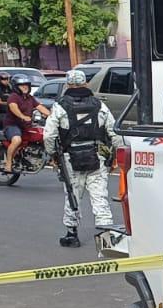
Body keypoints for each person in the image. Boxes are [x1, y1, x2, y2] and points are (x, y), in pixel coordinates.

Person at [44, 68, 123, 249]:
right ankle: (106, 239)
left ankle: (72, 235)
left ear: (68, 85)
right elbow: (114, 132)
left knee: (72, 196)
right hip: (97, 157)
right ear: (86, 84)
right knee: (100, 197)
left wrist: (52, 155)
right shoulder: (99, 105)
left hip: (70, 158)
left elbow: (48, 136)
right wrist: (116, 154)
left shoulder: (60, 106)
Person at [3, 75, 46, 172]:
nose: (25, 87)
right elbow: (13, 107)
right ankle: (8, 163)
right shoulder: (13, 97)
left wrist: (52, 115)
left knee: (43, 135)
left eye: (26, 85)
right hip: (12, 125)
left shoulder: (30, 98)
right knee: (17, 140)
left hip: (26, 126)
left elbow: (40, 107)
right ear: (16, 87)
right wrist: (22, 116)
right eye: (21, 85)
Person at [0, 71, 15, 170]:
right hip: (1, 116)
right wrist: (10, 103)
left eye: (7, 79)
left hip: (12, 114)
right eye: (4, 79)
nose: (6, 81)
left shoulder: (11, 89)